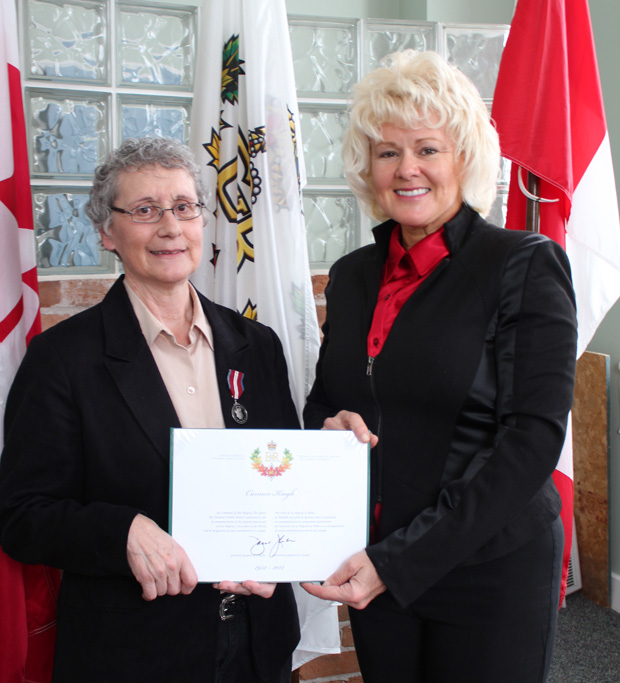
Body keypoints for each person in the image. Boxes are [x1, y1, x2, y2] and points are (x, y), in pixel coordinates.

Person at [302, 50, 577, 683]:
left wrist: (401, 560)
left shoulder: (523, 264)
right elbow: (325, 401)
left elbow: (532, 441)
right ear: (367, 168)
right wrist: (330, 424)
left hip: (489, 566)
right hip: (375, 559)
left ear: (463, 159)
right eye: (388, 152)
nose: (407, 170)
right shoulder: (350, 277)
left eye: (428, 148)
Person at [0, 137, 300, 683]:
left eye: (184, 207)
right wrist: (123, 531)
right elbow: (22, 516)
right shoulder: (63, 359)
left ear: (203, 222)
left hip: (259, 644)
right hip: (133, 654)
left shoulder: (257, 345)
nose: (170, 227)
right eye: (144, 211)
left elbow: (284, 479)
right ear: (106, 232)